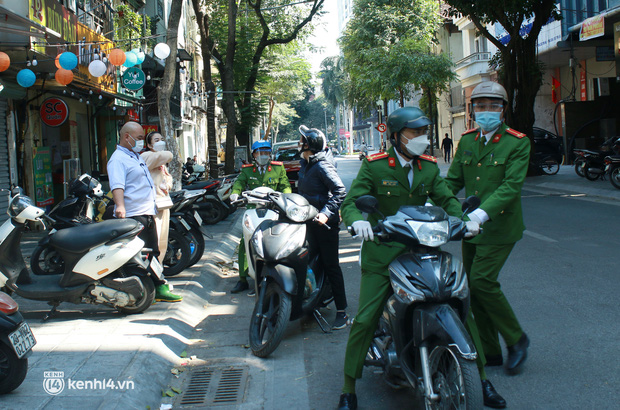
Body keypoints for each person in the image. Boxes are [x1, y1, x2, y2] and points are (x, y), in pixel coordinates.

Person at [337, 107, 504, 410]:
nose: (422, 139)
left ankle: (482, 380)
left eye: (424, 132)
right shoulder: (375, 166)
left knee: (461, 310)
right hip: (384, 254)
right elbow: (351, 201)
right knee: (365, 319)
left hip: (422, 251)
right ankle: (349, 389)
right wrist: (357, 221)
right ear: (397, 135)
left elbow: (448, 200)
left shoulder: (427, 167)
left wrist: (463, 221)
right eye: (415, 133)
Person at [444, 81, 530, 382]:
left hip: (499, 226)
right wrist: (426, 202)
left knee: (482, 281)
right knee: (473, 289)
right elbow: (452, 181)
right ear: (472, 110)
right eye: (480, 105)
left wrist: (480, 215)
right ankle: (490, 350)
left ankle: (516, 338)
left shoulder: (518, 142)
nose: (486, 111)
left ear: (504, 110)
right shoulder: (467, 140)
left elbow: (510, 187)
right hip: (470, 228)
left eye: (494, 105)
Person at [107, 121, 182, 303]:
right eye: (139, 138)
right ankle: (146, 288)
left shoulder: (134, 156)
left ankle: (158, 286)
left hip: (148, 212)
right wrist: (120, 206)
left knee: (153, 251)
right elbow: (117, 185)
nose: (140, 141)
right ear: (127, 137)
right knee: (141, 254)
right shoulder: (117, 159)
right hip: (134, 214)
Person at [297, 126, 348, 329]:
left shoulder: (322, 166)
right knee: (308, 260)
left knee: (330, 265)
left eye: (301, 141)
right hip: (308, 221)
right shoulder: (306, 164)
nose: (298, 144)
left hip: (325, 225)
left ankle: (342, 311)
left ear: (309, 145)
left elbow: (340, 191)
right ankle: (314, 301)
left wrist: (326, 214)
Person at [229, 141, 292, 295]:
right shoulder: (247, 170)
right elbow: (239, 183)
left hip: (273, 209)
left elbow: (285, 185)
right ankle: (243, 279)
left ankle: (277, 274)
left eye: (266, 153)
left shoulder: (278, 168)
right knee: (246, 242)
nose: (263, 156)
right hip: (253, 210)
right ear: (254, 155)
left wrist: (286, 196)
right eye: (260, 153)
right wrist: (235, 192)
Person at [141, 132, 174, 265]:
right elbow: (169, 155)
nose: (160, 142)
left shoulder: (160, 160)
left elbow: (168, 178)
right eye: (156, 140)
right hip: (154, 205)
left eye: (162, 139)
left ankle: (158, 267)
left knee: (163, 239)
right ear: (149, 144)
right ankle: (154, 268)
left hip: (163, 203)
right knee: (157, 237)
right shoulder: (147, 156)